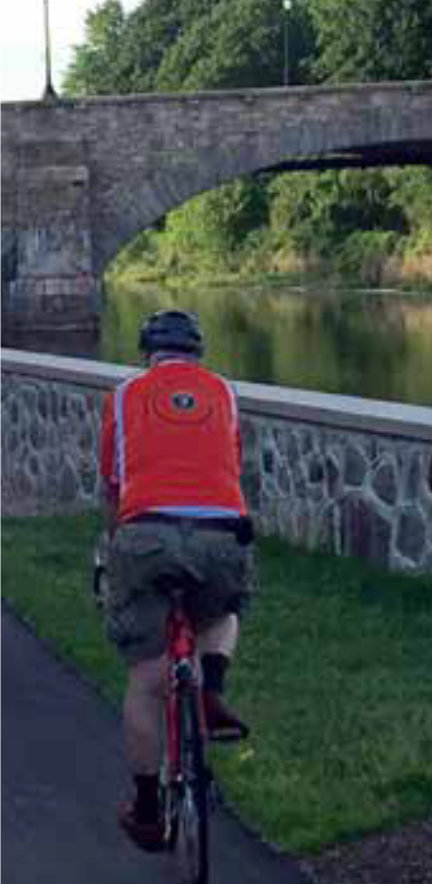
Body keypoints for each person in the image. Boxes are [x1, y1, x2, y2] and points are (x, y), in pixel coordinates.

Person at [99, 309, 255, 853]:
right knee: (223, 610)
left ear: (148, 353)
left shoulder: (124, 396)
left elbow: (114, 484)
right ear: (197, 354)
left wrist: (110, 544)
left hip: (145, 534)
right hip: (220, 532)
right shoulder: (226, 394)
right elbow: (232, 467)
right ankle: (212, 689)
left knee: (147, 676)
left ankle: (145, 809)